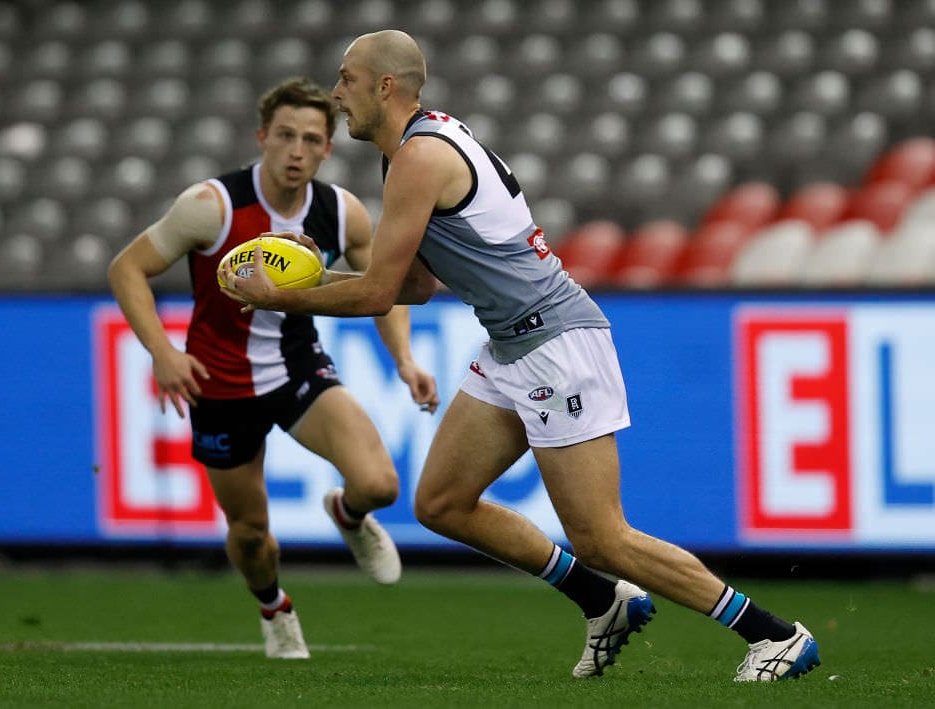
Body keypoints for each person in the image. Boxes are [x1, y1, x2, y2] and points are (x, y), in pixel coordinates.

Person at [220, 31, 821, 682]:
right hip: (512, 341)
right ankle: (602, 601)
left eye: (346, 79)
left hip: (555, 342)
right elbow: (417, 285)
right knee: (443, 502)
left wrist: (283, 294)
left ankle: (774, 634)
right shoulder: (408, 153)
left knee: (600, 536)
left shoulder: (420, 157)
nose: (337, 94)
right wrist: (295, 284)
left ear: (384, 86)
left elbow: (379, 293)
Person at [108, 76, 439, 661]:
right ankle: (273, 608)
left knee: (379, 484)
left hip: (296, 369)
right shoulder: (210, 206)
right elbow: (127, 269)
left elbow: (380, 289)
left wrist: (405, 360)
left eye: (312, 139)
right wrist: (161, 350)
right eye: (285, 136)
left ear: (328, 148)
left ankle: (346, 513)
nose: (297, 150)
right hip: (220, 384)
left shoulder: (341, 213)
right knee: (253, 533)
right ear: (262, 137)